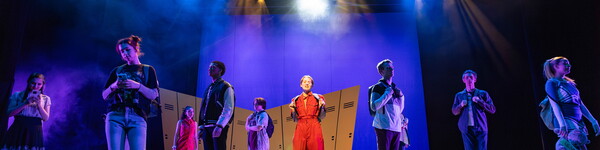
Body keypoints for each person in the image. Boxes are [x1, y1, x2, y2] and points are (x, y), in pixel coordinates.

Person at [102, 35, 159, 150]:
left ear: (136, 49)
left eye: (127, 49)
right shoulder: (117, 70)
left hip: (137, 117)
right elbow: (104, 95)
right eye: (122, 51)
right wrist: (114, 85)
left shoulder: (148, 70)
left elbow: (153, 94)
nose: (124, 53)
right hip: (115, 116)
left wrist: (137, 86)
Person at [543, 56, 599, 150]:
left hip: (577, 120)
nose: (569, 65)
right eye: (565, 63)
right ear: (556, 66)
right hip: (566, 119)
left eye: (568, 63)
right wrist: (562, 125)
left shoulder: (570, 83)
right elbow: (555, 105)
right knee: (570, 143)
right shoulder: (552, 83)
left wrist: (593, 121)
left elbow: (580, 104)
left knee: (579, 145)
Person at [2, 73, 51, 150]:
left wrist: (39, 105)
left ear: (42, 85)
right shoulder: (17, 95)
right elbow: (9, 114)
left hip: (34, 130)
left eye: (39, 84)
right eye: (33, 83)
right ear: (28, 82)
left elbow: (45, 118)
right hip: (18, 128)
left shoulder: (46, 98)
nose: (35, 86)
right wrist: (25, 103)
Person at [451, 70, 496, 150]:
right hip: (466, 129)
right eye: (466, 77)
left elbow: (492, 109)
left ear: (475, 79)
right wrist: (460, 105)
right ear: (463, 80)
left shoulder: (483, 93)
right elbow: (454, 112)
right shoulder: (459, 95)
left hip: (480, 128)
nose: (469, 79)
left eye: (471, 77)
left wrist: (480, 101)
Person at [369, 59, 408, 150]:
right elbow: (374, 106)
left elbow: (399, 110)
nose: (392, 70)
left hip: (396, 127)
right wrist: (387, 93)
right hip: (383, 126)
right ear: (381, 71)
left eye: (392, 68)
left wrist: (401, 97)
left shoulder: (395, 89)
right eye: (388, 68)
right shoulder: (377, 87)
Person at [198, 61, 235, 150]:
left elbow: (228, 108)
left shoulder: (226, 86)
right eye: (209, 67)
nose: (210, 68)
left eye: (213, 67)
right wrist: (201, 127)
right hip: (206, 127)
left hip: (217, 125)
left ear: (220, 70)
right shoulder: (209, 88)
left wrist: (220, 125)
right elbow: (203, 107)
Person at [289, 75, 326, 150]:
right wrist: (292, 110)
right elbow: (295, 119)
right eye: (304, 82)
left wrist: (322, 106)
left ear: (312, 84)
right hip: (300, 126)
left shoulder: (319, 98)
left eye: (309, 82)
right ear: (301, 84)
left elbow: (322, 116)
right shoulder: (295, 100)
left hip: (314, 125)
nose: (307, 84)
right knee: (298, 147)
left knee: (316, 147)